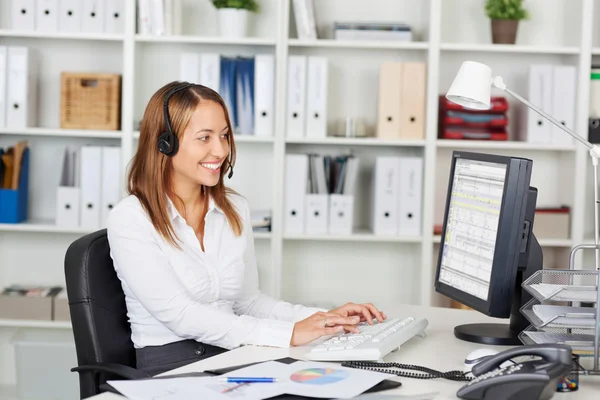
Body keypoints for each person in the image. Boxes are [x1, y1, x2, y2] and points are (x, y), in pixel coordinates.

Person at [106, 81, 387, 376]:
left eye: (225, 135)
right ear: (166, 143)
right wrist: (288, 334)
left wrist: (321, 318)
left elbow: (248, 302)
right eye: (205, 138)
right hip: (172, 367)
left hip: (235, 352)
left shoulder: (233, 208)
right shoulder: (131, 218)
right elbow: (181, 315)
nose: (220, 150)